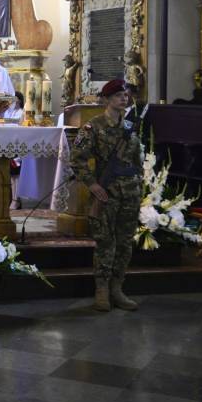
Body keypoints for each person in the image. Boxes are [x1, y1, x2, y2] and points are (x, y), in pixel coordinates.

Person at [70, 78, 144, 313]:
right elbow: (77, 159)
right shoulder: (94, 126)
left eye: (126, 95)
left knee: (125, 243)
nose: (124, 99)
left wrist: (140, 183)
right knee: (106, 243)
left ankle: (117, 288)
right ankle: (101, 289)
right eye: (119, 95)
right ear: (107, 99)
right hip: (107, 193)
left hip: (130, 192)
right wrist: (92, 185)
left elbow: (137, 160)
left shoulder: (130, 126)